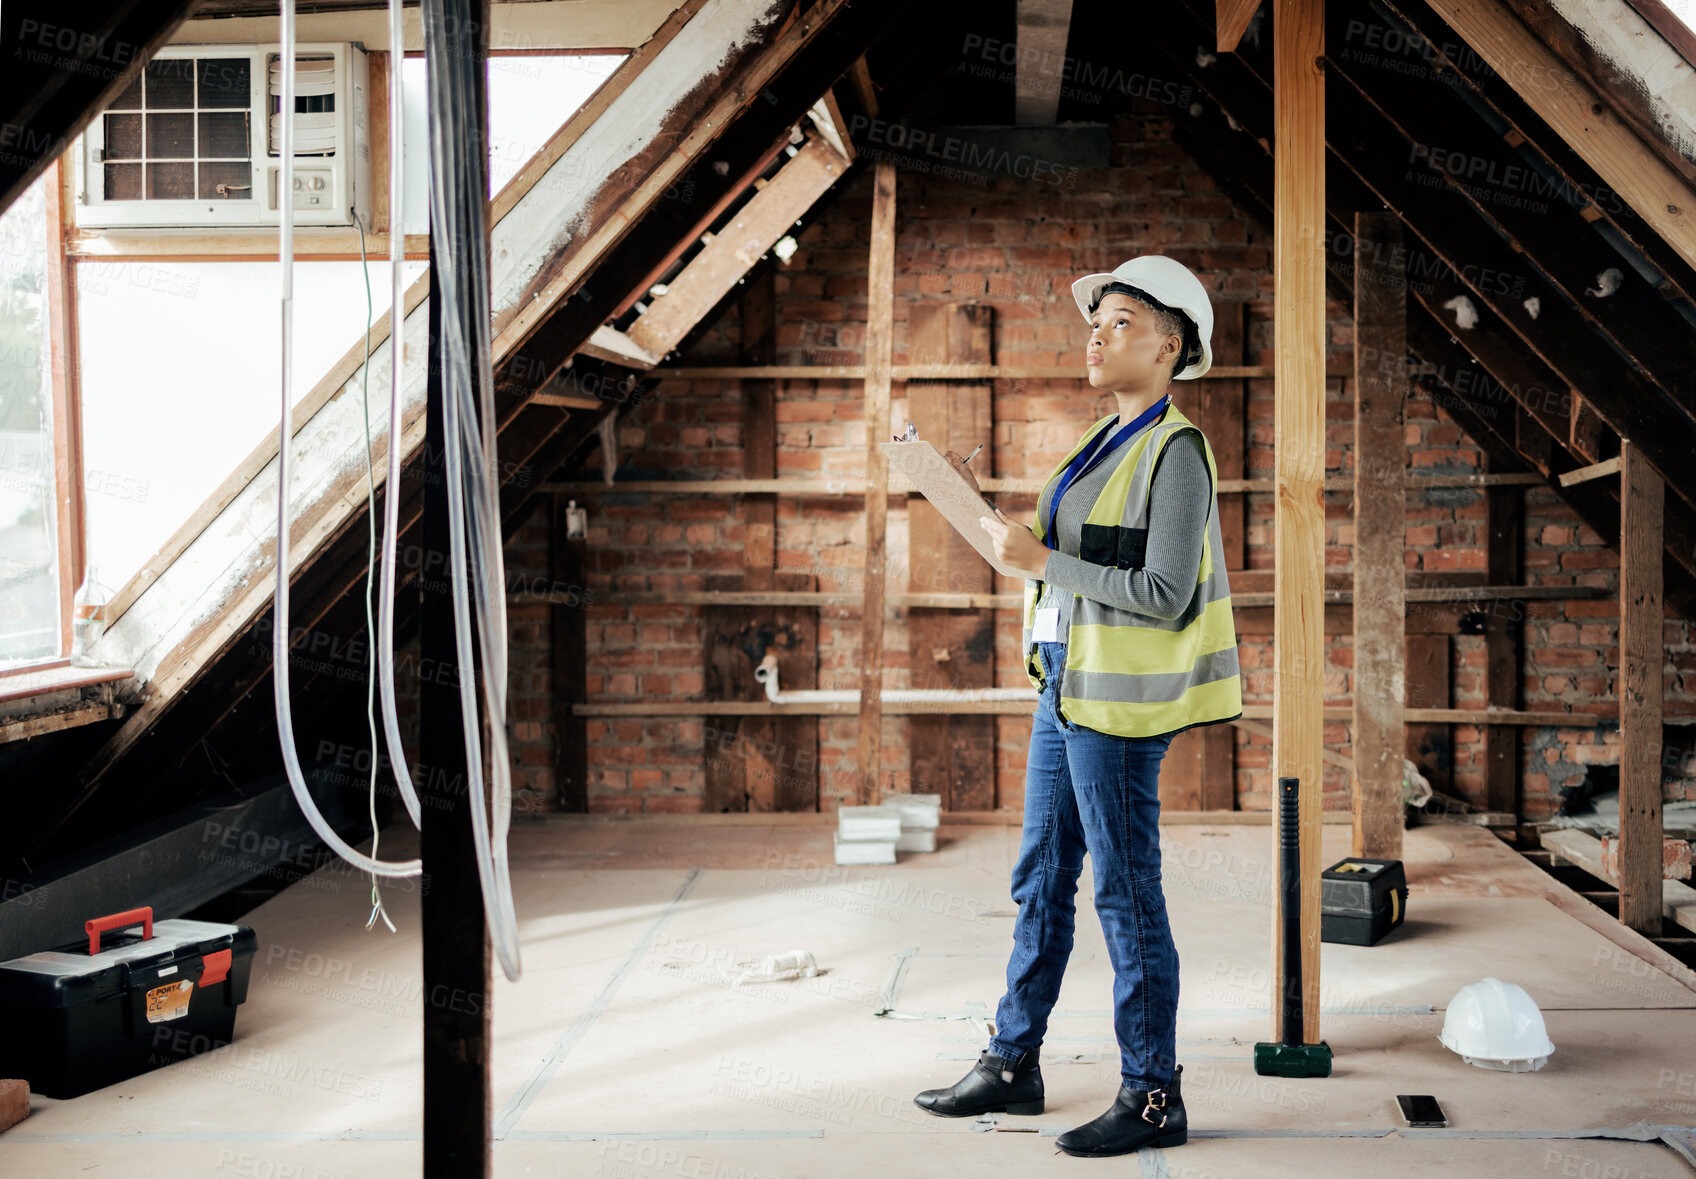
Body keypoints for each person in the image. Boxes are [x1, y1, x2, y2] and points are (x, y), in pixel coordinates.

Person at [912, 255, 1243, 1158]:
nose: (1097, 332)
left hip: (1117, 708)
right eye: (1096, 320)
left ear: (1171, 344)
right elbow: (1057, 558)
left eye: (1122, 320)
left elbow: (1168, 590)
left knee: (1126, 892)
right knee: (1039, 878)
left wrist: (1039, 560)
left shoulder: (1176, 451)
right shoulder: (1101, 438)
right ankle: (1013, 1061)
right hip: (1064, 686)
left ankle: (1151, 1096)